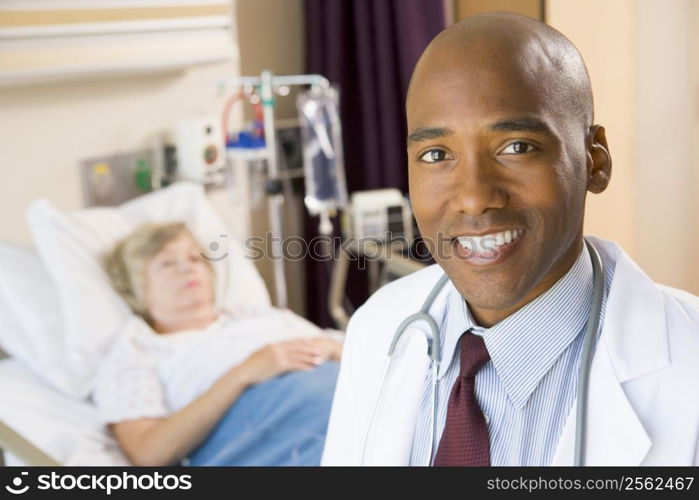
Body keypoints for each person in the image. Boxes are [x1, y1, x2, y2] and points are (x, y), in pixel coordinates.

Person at [322, 12, 699, 466]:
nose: (474, 198)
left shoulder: (686, 368)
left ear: (594, 162)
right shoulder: (376, 328)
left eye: (517, 147)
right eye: (436, 154)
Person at [94, 221, 342, 466]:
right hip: (283, 437)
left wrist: (333, 349)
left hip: (346, 405)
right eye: (167, 263)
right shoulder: (137, 352)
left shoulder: (260, 316)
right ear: (135, 287)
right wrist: (245, 373)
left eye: (195, 259)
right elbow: (149, 453)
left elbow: (363, 356)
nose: (187, 269)